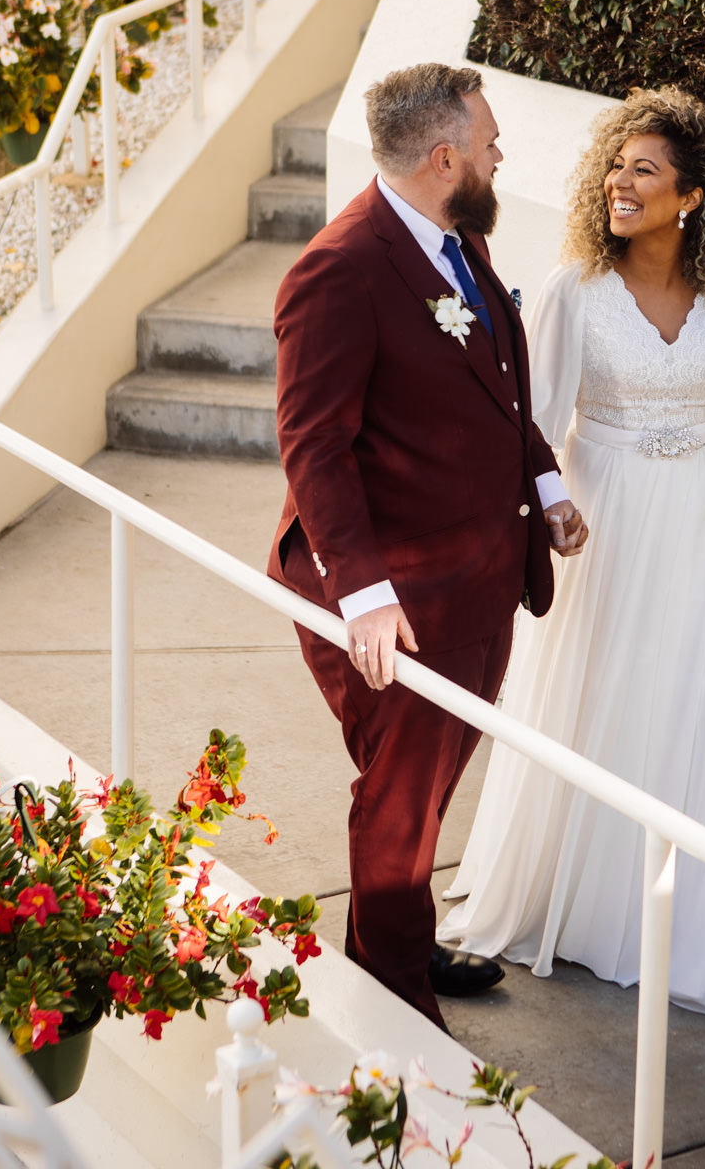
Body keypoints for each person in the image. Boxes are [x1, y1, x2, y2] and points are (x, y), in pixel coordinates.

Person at [439, 87, 705, 1020]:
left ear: (692, 195)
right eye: (616, 167)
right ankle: (586, 907)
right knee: (606, 690)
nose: (621, 182)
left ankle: (703, 915)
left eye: (644, 171)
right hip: (606, 512)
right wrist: (544, 510)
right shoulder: (576, 289)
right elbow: (531, 420)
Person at [266, 63, 589, 1031]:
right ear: (445, 156)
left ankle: (389, 939)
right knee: (400, 801)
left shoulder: (461, 239)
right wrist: (362, 593)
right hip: (393, 597)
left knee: (433, 780)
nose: (500, 155)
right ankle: (394, 1002)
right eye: (489, 143)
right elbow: (313, 446)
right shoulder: (340, 267)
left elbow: (497, 377)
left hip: (479, 577)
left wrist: (544, 483)